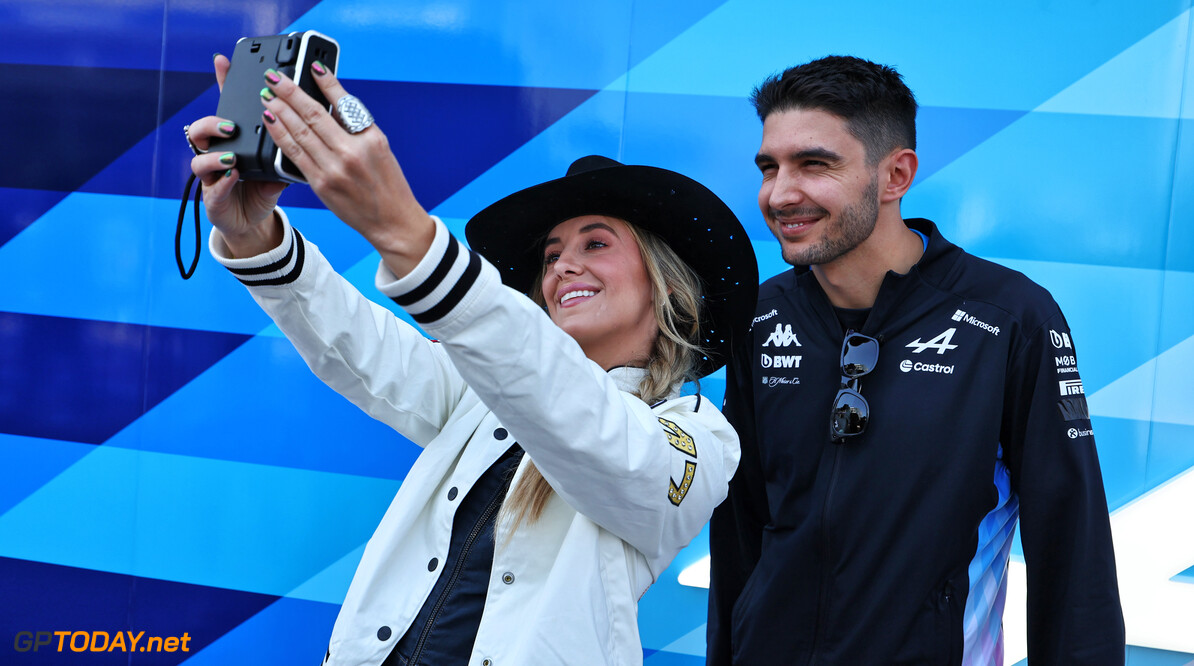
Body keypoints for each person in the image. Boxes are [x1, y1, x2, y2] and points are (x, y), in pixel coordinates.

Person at [185, 55, 757, 665]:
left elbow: (592, 430)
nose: (563, 266)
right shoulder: (482, 388)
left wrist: (407, 233)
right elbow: (357, 343)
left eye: (596, 243)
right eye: (551, 255)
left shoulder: (697, 433)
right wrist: (255, 237)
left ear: (668, 285)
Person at [706, 55, 1124, 665]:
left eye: (814, 165)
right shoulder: (760, 316)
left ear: (895, 175)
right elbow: (741, 532)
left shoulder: (1008, 317)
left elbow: (1071, 544)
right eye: (770, 167)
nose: (781, 193)